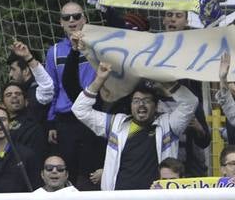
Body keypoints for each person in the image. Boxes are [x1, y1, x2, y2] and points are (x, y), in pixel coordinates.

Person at [71, 60, 197, 191]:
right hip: (119, 199)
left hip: (155, 199)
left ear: (156, 106)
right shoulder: (116, 124)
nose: (141, 104)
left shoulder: (168, 125)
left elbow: (190, 102)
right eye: (136, 101)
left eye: (146, 101)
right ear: (130, 106)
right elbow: (79, 109)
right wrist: (99, 80)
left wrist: (164, 81)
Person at [42, 2, 104, 190]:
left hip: (93, 114)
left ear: (85, 19)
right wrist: (51, 122)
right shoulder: (54, 52)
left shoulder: (98, 46)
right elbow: (52, 88)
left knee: (93, 173)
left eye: (76, 16)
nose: (72, 20)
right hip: (66, 119)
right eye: (66, 17)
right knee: (68, 172)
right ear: (60, 22)